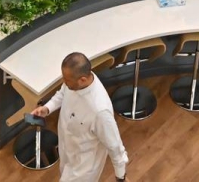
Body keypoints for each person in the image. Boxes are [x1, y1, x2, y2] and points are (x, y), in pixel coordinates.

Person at [31, 52, 129, 182]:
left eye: (67, 80)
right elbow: (62, 92)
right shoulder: (73, 83)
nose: (64, 82)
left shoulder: (100, 111)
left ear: (82, 80)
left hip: (84, 168)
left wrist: (121, 177)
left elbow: (115, 146)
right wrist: (47, 108)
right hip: (67, 151)